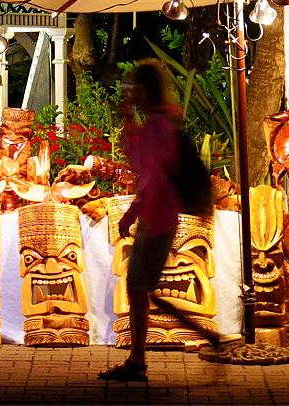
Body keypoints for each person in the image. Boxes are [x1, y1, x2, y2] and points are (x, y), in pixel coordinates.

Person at [100, 59, 182, 384]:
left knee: (137, 286)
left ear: (147, 90)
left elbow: (152, 176)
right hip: (158, 213)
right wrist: (125, 118)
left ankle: (137, 361)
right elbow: (136, 159)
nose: (132, 93)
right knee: (139, 287)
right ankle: (136, 359)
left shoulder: (158, 125)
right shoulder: (158, 123)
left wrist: (132, 212)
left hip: (157, 215)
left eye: (135, 88)